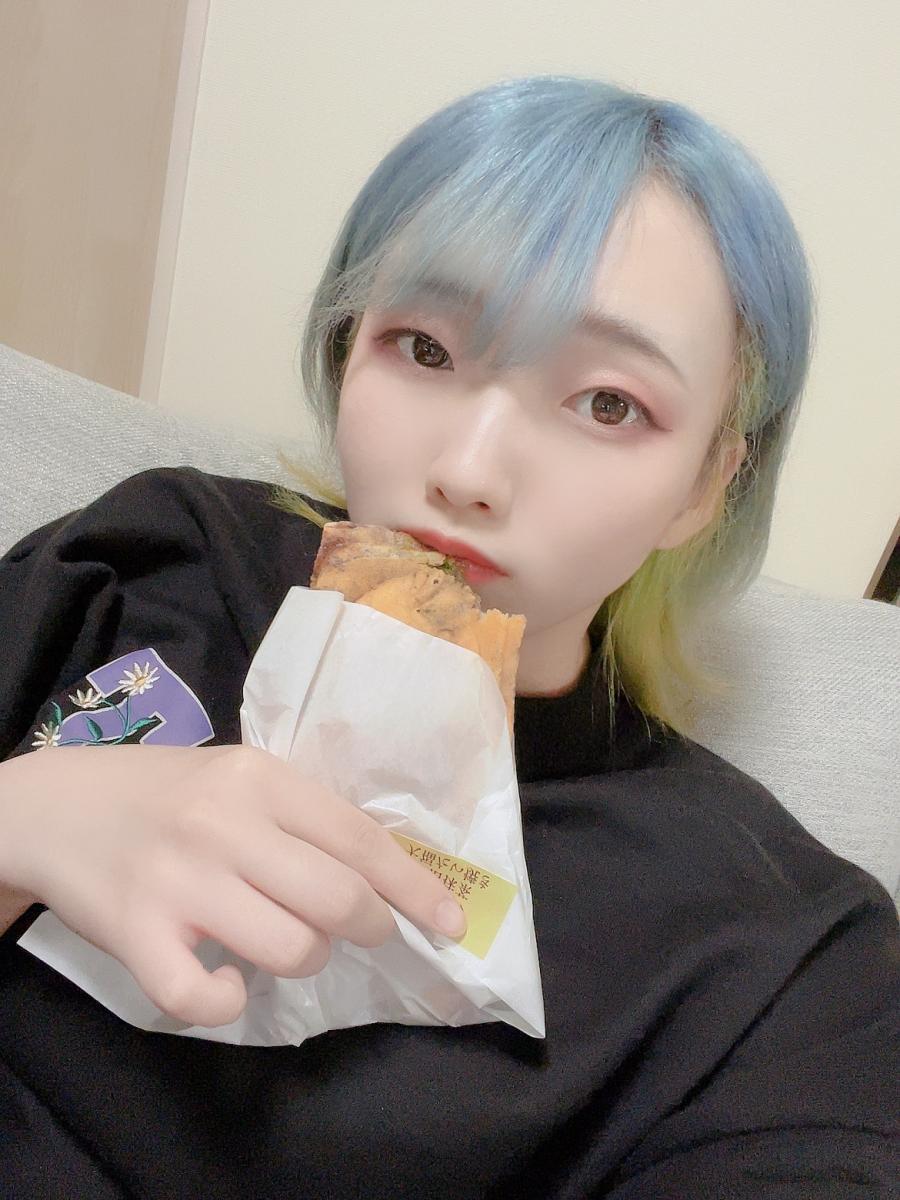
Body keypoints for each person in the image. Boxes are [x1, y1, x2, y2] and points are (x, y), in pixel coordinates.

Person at [0, 74, 897, 1197]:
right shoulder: (157, 550)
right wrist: (21, 822)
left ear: (707, 484)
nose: (467, 472)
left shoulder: (784, 950)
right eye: (424, 347)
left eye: (608, 403)